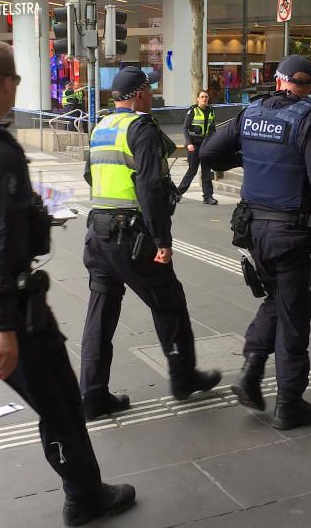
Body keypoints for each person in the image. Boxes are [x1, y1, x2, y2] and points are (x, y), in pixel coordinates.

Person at [0, 40, 135, 526]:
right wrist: (2, 324)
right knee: (58, 399)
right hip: (3, 304)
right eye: (15, 81)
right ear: (7, 83)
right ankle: (85, 495)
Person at [200, 56, 311, 430]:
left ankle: (251, 371)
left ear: (277, 80)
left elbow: (207, 153)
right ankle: (290, 404)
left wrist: (252, 158)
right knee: (294, 316)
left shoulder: (251, 112)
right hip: (292, 234)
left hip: (253, 232)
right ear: (310, 86)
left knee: (277, 300)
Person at [81, 66, 221, 420]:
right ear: (140, 93)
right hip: (131, 234)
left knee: (101, 311)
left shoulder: (101, 127)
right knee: (169, 302)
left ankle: (92, 394)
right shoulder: (141, 128)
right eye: (150, 90)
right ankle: (183, 378)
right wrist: (162, 239)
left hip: (97, 232)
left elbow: (89, 174)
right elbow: (149, 187)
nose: (152, 96)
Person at [177, 89, 218, 205]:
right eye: (202, 97)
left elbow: (213, 128)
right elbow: (185, 128)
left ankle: (208, 197)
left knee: (206, 171)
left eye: (206, 97)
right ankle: (177, 193)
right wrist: (189, 143)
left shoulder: (211, 110)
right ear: (198, 99)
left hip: (206, 144)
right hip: (194, 144)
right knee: (192, 170)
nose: (205, 99)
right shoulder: (193, 110)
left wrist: (215, 142)